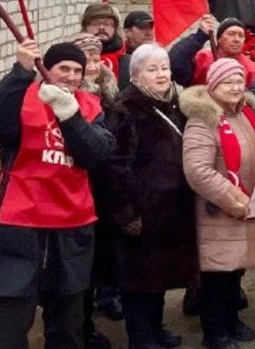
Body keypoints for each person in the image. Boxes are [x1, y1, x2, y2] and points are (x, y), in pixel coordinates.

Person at [0, 40, 115, 349]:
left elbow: (96, 154)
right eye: (64, 68)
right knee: (11, 325)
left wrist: (70, 115)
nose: (71, 76)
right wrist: (20, 72)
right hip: (20, 223)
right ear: (46, 69)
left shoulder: (90, 106)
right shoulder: (24, 99)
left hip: (72, 225)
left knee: (68, 324)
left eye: (77, 70)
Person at [103, 45, 196, 349]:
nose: (161, 74)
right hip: (141, 212)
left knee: (159, 277)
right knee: (138, 282)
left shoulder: (174, 105)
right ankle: (141, 338)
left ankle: (156, 328)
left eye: (164, 68)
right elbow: (115, 166)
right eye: (152, 69)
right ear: (135, 76)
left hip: (170, 211)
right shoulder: (125, 110)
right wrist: (126, 214)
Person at [180, 59, 255, 349]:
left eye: (239, 81)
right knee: (217, 276)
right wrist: (234, 200)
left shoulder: (243, 114)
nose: (235, 87)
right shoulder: (203, 120)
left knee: (235, 271)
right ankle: (214, 332)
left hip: (244, 209)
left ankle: (231, 320)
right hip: (219, 211)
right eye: (227, 82)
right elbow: (198, 171)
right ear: (213, 85)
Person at [68, 33, 122, 344]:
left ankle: (99, 308)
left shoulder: (110, 96)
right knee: (80, 270)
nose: (92, 64)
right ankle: (80, 326)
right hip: (79, 189)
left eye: (95, 58)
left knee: (100, 261)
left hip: (106, 190)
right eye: (85, 58)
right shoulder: (70, 100)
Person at [170, 15, 255, 91]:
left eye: (241, 35)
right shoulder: (202, 59)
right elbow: (176, 64)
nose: (236, 39)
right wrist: (200, 36)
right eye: (231, 34)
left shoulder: (252, 69)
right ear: (219, 39)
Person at [71, 33, 119, 110]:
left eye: (96, 61)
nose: (92, 68)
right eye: (86, 62)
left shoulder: (109, 88)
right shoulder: (71, 96)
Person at [81, 2, 129, 80]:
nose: (101, 27)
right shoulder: (74, 58)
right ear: (85, 27)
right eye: (95, 23)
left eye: (107, 24)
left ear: (114, 28)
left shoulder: (128, 62)